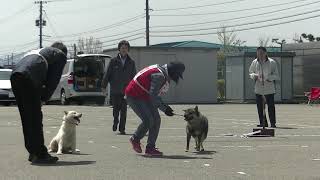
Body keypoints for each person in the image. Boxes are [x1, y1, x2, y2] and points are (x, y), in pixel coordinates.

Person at [10, 42, 67, 164]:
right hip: (29, 77)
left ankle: (33, 152)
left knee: (27, 117)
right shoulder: (60, 54)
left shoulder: (39, 51)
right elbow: (53, 80)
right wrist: (44, 98)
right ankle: (40, 154)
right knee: (35, 118)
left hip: (15, 75)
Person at [125, 61, 185, 156]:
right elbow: (153, 96)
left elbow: (154, 94)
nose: (176, 78)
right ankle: (135, 139)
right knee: (148, 120)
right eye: (177, 74)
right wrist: (165, 109)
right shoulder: (160, 76)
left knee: (156, 119)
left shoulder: (161, 71)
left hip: (144, 95)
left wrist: (164, 107)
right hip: (134, 95)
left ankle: (150, 148)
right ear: (173, 72)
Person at [101, 40, 136, 135]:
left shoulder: (131, 62)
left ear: (128, 50)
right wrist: (103, 86)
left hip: (126, 90)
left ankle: (122, 128)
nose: (124, 50)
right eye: (122, 48)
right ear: (119, 49)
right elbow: (107, 74)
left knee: (124, 110)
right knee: (116, 109)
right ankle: (115, 121)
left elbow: (134, 77)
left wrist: (134, 89)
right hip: (115, 89)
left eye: (126, 48)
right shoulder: (113, 61)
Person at [249, 46, 280, 128]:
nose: (260, 55)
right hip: (258, 88)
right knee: (260, 107)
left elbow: (276, 75)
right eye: (258, 53)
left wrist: (269, 78)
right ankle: (263, 122)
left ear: (265, 53)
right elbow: (251, 72)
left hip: (269, 88)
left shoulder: (272, 62)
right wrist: (254, 76)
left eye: (262, 53)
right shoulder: (255, 62)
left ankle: (273, 123)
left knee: (270, 107)